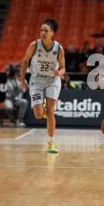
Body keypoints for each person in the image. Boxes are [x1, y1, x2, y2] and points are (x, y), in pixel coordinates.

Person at [20, 19, 65, 153]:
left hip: (52, 80)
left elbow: (63, 68)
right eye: (41, 30)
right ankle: (44, 110)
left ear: (52, 33)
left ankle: (51, 143)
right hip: (36, 81)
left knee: (50, 111)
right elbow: (24, 61)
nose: (43, 32)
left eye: (46, 30)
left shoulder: (59, 48)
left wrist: (59, 72)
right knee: (39, 115)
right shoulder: (34, 45)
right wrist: (22, 80)